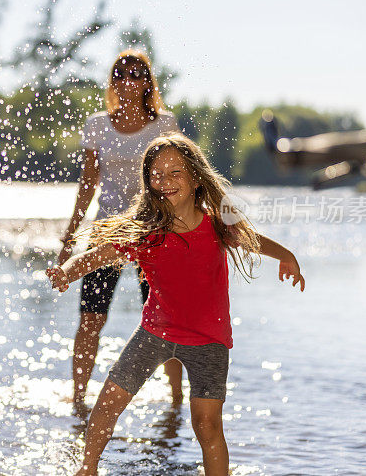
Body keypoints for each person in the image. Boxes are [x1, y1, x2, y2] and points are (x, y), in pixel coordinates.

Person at [47, 133, 305, 476]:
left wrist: (287, 257)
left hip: (209, 340)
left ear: (195, 177)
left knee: (206, 424)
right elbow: (100, 255)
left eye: (174, 173)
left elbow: (251, 239)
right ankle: (88, 469)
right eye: (156, 175)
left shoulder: (217, 221)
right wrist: (67, 271)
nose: (165, 182)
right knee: (108, 404)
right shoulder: (146, 230)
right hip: (155, 332)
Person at [59, 50, 184, 410]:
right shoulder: (98, 124)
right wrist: (70, 237)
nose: (127, 81)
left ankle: (176, 400)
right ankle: (78, 399)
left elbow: (177, 179)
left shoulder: (165, 126)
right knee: (90, 318)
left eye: (136, 74)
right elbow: (87, 185)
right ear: (113, 81)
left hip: (154, 230)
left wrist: (184, 230)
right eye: (120, 74)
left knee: (166, 319)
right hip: (107, 232)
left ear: (147, 82)